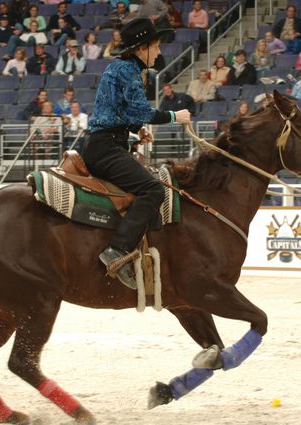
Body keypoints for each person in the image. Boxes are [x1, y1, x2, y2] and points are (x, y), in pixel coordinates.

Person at [81, 19, 191, 289]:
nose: (159, 52)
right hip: (105, 147)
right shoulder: (128, 71)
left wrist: (136, 130)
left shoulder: (122, 68)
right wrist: (175, 115)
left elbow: (119, 110)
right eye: (156, 46)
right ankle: (116, 251)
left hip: (104, 143)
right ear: (142, 48)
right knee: (153, 190)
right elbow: (140, 110)